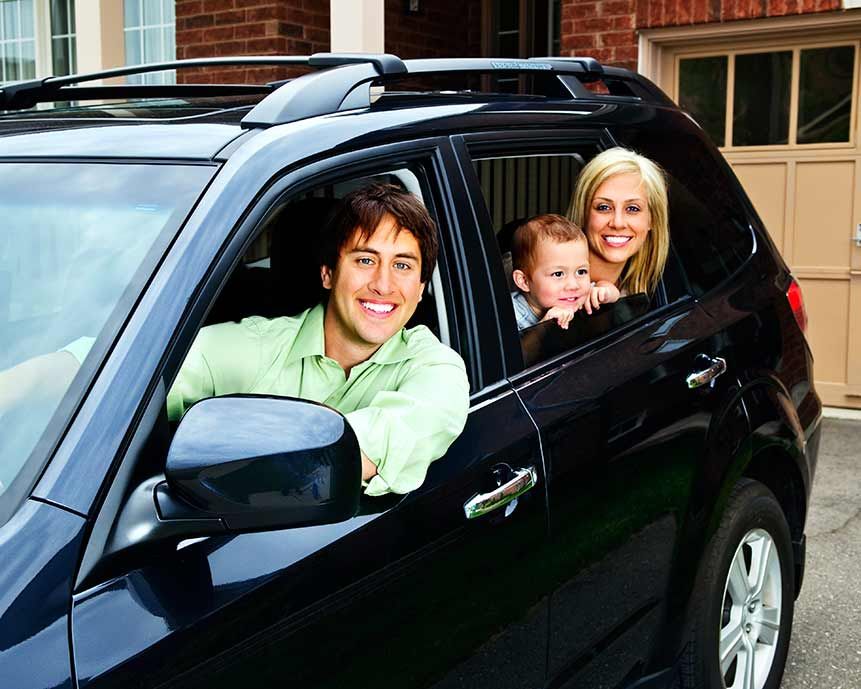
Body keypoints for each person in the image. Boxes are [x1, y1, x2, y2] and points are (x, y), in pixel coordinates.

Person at [0, 183, 470, 497]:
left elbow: (349, 455)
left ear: (421, 289)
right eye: (365, 260)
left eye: (403, 265)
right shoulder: (258, 345)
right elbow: (119, 368)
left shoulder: (437, 371)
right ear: (328, 273)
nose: (384, 284)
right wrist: (13, 388)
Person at [567, 147, 670, 297]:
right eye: (603, 207)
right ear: (583, 213)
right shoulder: (552, 292)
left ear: (652, 219)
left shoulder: (631, 293)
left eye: (633, 209)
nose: (618, 223)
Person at [509, 214, 619, 331]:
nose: (573, 285)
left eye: (581, 272)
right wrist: (544, 327)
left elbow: (614, 293)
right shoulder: (510, 314)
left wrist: (604, 292)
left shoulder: (577, 296)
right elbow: (520, 349)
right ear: (524, 281)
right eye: (558, 274)